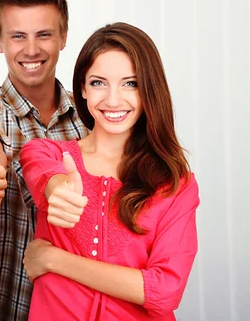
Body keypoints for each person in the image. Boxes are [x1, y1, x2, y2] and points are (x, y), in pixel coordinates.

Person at [20, 22, 200, 320]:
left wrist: (53, 259)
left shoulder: (174, 183)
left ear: (149, 91)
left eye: (131, 83)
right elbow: (45, 175)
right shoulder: (48, 152)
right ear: (82, 88)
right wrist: (59, 188)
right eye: (99, 83)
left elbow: (165, 291)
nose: (113, 100)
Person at [0, 0, 88, 320]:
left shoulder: (91, 117)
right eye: (18, 36)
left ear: (63, 37)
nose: (31, 49)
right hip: (8, 309)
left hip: (82, 309)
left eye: (44, 34)